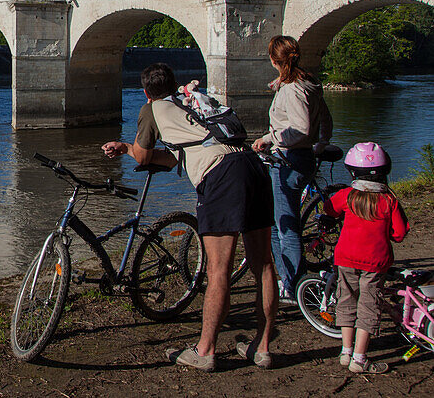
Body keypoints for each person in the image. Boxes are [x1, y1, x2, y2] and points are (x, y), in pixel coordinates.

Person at [103, 63, 278, 371]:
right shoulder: (190, 100)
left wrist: (127, 147)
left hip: (222, 176)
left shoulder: (152, 109)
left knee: (219, 269)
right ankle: (261, 348)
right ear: (174, 84)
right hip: (252, 165)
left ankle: (205, 350)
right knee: (263, 263)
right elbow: (176, 156)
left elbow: (143, 156)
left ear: (145, 92)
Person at [251, 35, 333, 304]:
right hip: (301, 157)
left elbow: (300, 128)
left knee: (286, 226)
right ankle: (287, 279)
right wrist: (320, 145)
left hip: (289, 161)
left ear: (274, 60)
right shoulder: (309, 84)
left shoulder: (292, 89)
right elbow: (324, 122)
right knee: (279, 222)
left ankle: (294, 286)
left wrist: (269, 139)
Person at [322, 142, 410, 374]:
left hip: (346, 258)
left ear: (352, 171)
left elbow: (328, 208)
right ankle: (360, 359)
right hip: (375, 261)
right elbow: (399, 234)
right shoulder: (389, 202)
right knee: (369, 305)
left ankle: (346, 352)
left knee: (346, 300)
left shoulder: (347, 196)